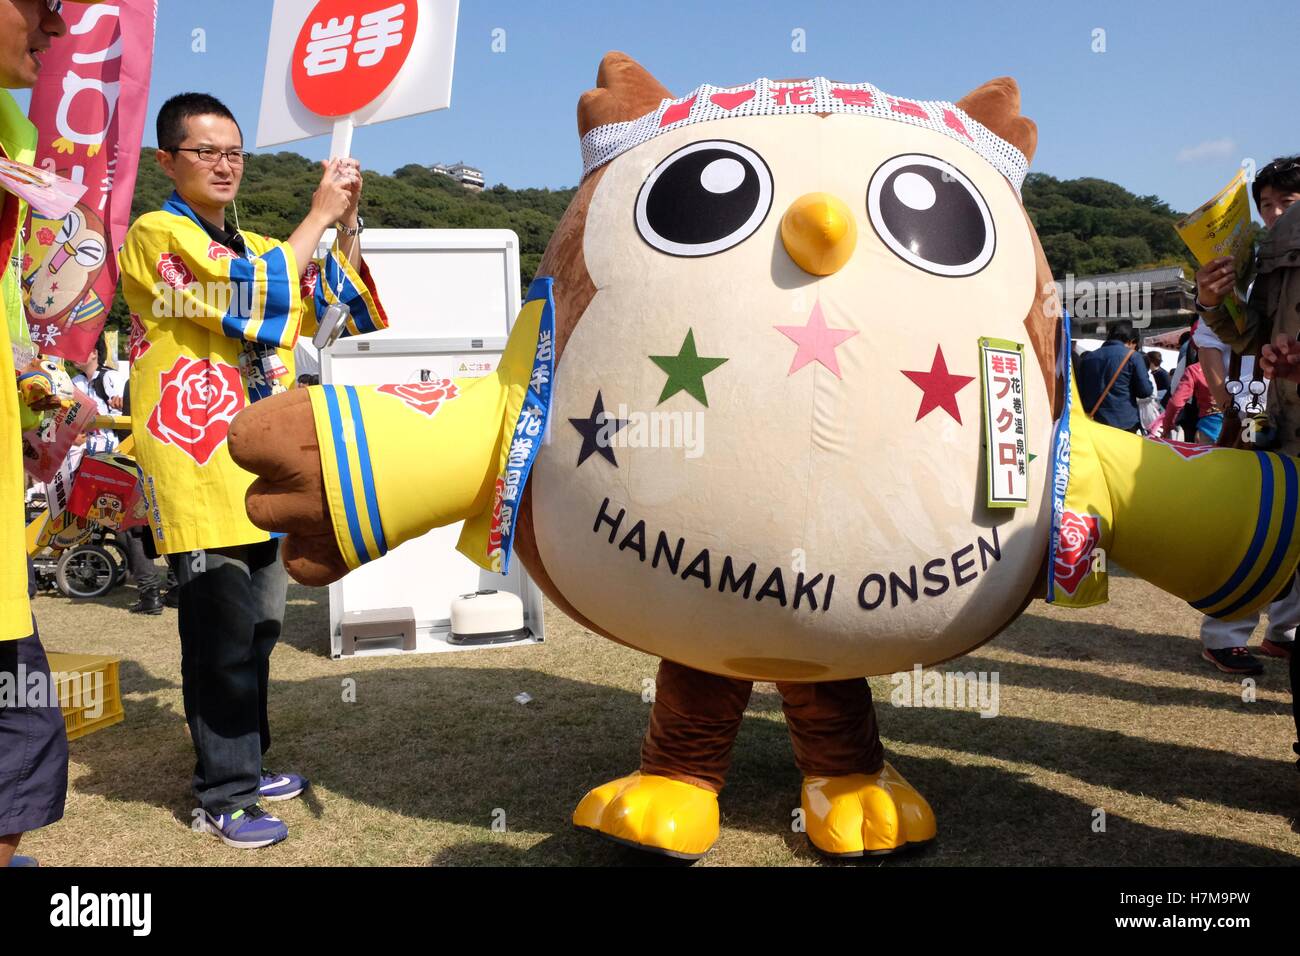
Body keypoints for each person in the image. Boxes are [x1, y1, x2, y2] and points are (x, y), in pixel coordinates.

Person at [120, 92, 387, 849]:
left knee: (262, 625)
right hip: (196, 466)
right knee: (221, 633)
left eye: (234, 150)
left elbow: (329, 303)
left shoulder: (256, 243)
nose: (225, 163)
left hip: (258, 468)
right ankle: (223, 791)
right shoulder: (156, 233)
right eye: (206, 151)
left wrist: (345, 223)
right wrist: (313, 218)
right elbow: (252, 295)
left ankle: (245, 759)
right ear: (168, 160)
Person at [0, 0, 105, 870]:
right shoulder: (163, 233)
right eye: (43, 7)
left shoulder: (14, 151)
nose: (58, 31)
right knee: (21, 719)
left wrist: (31, 410)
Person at [1196, 158, 1300, 676]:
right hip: (1256, 398)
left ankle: (1284, 631)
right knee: (1254, 519)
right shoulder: (1255, 259)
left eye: (1287, 202)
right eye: (1267, 205)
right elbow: (1226, 339)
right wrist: (1213, 298)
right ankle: (1227, 635)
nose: (1275, 214)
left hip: (1263, 395)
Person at [1076, 319, 1154, 432]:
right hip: (1124, 422)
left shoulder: (1088, 358)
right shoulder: (1133, 357)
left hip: (1094, 421)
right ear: (1132, 341)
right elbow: (1145, 391)